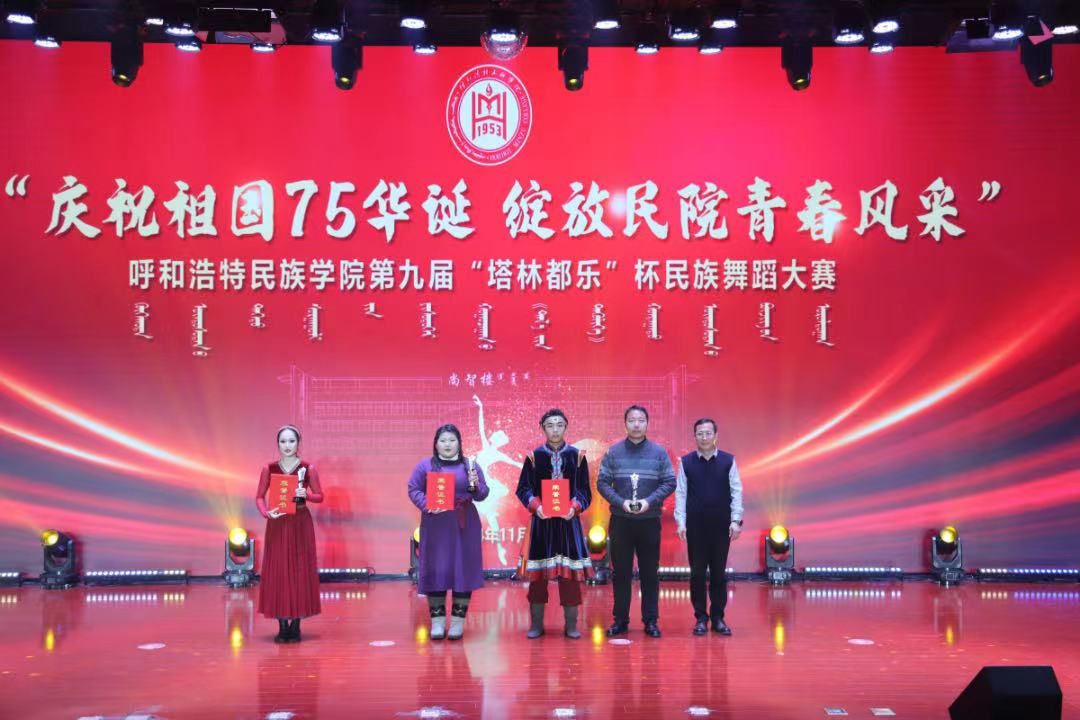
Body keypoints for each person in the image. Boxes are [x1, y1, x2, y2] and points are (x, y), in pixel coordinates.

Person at [596, 405, 676, 638]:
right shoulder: (613, 452)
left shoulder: (659, 453)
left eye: (641, 420)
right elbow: (602, 483)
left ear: (647, 423)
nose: (637, 424)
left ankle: (651, 621)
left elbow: (670, 482)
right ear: (625, 424)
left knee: (650, 572)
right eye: (632, 420)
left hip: (649, 520)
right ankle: (620, 620)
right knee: (620, 573)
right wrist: (620, 502)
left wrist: (648, 502)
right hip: (621, 520)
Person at [515, 408, 593, 639]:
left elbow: (585, 491)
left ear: (566, 427)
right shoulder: (533, 456)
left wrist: (574, 507)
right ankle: (536, 624)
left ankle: (571, 625)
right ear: (543, 428)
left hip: (569, 524)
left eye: (559, 425)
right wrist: (536, 506)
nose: (555, 429)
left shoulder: (578, 457)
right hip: (542, 523)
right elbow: (523, 489)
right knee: (538, 576)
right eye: (550, 425)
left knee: (569, 577)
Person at [408, 424, 490, 640]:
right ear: (436, 444)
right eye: (443, 440)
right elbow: (413, 489)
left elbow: (483, 493)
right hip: (436, 524)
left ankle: (457, 623)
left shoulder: (470, 465)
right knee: (437, 569)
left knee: (463, 571)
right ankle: (437, 622)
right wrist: (427, 504)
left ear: (459, 444)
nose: (447, 444)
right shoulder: (425, 465)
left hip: (465, 524)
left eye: (452, 440)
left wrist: (475, 486)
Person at [675, 418, 744, 636]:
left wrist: (736, 520)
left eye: (708, 433)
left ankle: (718, 618)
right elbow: (681, 494)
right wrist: (681, 522)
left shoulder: (728, 461)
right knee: (697, 573)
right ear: (694, 436)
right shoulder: (686, 463)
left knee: (718, 573)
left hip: (721, 526)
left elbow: (736, 491)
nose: (704, 437)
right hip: (695, 527)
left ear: (715, 436)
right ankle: (700, 618)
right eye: (700, 433)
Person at [255, 424, 324, 643]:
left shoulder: (308, 468)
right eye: (283, 441)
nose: (287, 445)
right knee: (278, 571)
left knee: (299, 571)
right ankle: (282, 624)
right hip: (277, 524)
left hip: (300, 523)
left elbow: (320, 496)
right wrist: (266, 513)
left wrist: (307, 495)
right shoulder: (270, 468)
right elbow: (259, 496)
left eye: (291, 441)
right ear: (278, 444)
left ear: (298, 443)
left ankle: (296, 624)